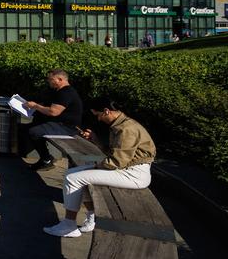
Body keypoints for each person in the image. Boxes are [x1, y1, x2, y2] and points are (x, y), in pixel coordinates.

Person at [43, 96, 157, 238]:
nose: (98, 119)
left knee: (73, 178)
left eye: (98, 115)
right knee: (72, 173)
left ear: (106, 111)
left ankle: (69, 226)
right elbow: (114, 155)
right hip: (127, 169)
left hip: (134, 175)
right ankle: (91, 219)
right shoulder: (121, 125)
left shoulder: (126, 129)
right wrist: (96, 141)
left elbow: (116, 162)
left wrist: (95, 166)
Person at [20, 69, 85, 171]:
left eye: (51, 79)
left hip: (67, 127)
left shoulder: (66, 93)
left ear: (60, 79)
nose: (49, 81)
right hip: (59, 123)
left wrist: (35, 106)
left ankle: (46, 160)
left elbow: (53, 112)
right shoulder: (59, 91)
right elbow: (49, 106)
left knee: (33, 131)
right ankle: (45, 158)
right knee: (26, 127)